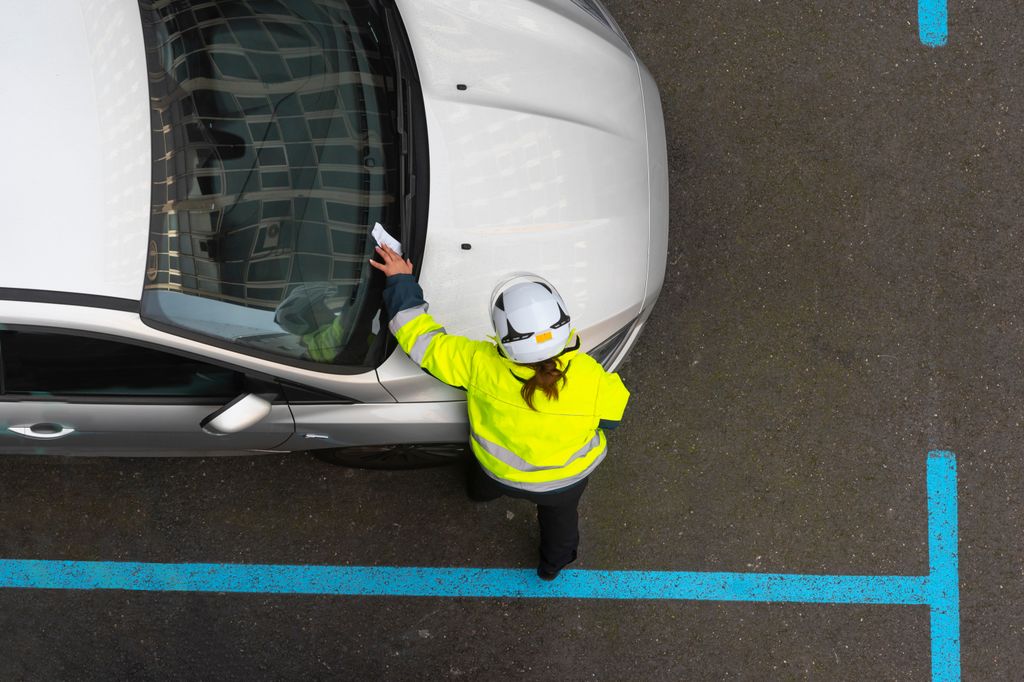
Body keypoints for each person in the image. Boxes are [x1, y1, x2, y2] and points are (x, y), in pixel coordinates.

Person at [370, 244, 630, 580]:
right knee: (561, 525)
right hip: (562, 482)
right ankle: (552, 567)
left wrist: (401, 282)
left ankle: (480, 495)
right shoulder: (591, 378)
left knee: (483, 481)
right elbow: (612, 418)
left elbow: (422, 341)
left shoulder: (479, 364)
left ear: (503, 335)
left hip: (496, 470)